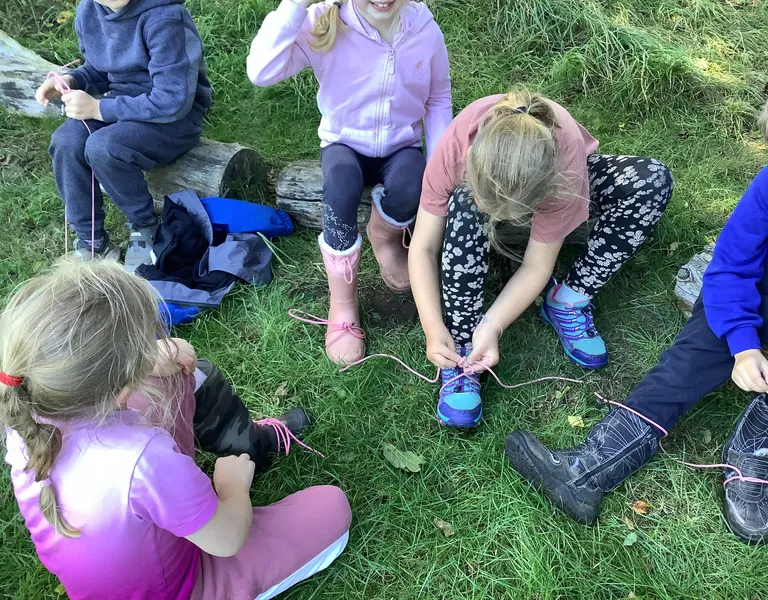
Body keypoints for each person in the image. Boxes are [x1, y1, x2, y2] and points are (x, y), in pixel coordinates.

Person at [504, 66, 768, 544]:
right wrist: (744, 346)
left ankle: (757, 448)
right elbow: (731, 266)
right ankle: (589, 468)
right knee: (693, 355)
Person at [1, 260, 352, 599]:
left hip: (126, 560)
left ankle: (248, 447)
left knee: (177, 374)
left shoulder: (28, 411)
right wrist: (230, 486)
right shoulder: (143, 460)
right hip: (183, 587)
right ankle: (234, 470)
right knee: (331, 506)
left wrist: (153, 356)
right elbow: (227, 539)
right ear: (118, 382)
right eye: (144, 342)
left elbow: (163, 366)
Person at [408, 90, 673, 428]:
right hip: (489, 184)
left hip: (553, 177)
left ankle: (567, 299)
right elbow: (422, 247)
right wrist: (434, 329)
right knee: (463, 204)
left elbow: (536, 264)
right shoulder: (456, 148)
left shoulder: (564, 167)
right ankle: (462, 345)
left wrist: (493, 325)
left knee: (652, 180)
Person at [247, 0, 452, 365]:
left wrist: (439, 164)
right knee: (340, 188)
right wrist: (295, 6)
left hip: (400, 145)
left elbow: (437, 97)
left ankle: (384, 237)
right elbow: (261, 71)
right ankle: (343, 304)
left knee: (413, 184)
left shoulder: (424, 30)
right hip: (344, 143)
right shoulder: (324, 23)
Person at [35, 0, 211, 271]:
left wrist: (99, 108)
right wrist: (71, 81)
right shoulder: (89, 12)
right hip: (123, 106)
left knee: (104, 146)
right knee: (66, 141)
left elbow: (173, 100)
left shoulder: (164, 17)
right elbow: (100, 70)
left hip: (176, 118)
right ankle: (92, 243)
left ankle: (146, 227)